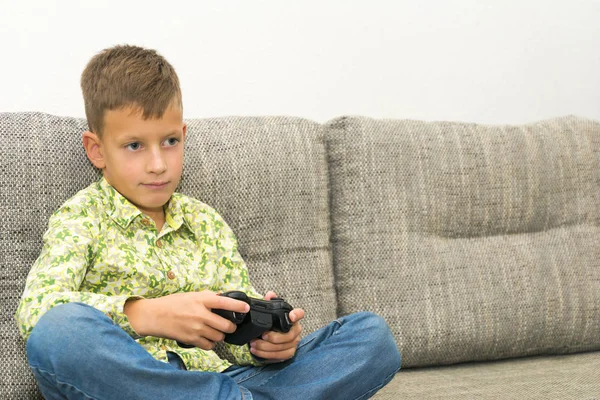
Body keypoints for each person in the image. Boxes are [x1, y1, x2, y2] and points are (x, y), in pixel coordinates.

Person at [15, 44, 401, 400]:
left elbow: (235, 335)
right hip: (135, 383)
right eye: (134, 146)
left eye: (170, 142)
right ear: (97, 150)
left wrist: (266, 344)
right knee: (59, 330)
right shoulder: (81, 216)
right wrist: (145, 313)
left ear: (184, 135)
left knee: (371, 337)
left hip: (226, 382)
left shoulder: (206, 222)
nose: (158, 164)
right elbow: (37, 310)